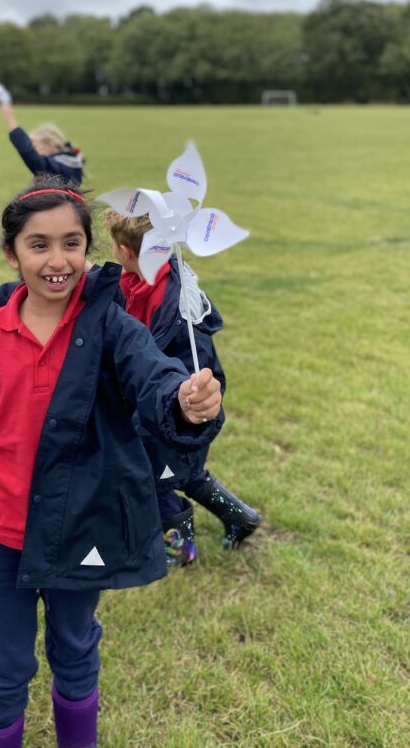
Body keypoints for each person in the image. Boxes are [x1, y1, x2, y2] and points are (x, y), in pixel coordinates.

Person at [0, 177, 224, 748]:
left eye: (72, 243)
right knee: (3, 667)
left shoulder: (111, 326)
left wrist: (186, 401)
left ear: (88, 249)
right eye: (39, 244)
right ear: (12, 253)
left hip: (80, 525)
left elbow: (154, 377)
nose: (57, 260)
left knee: (75, 650)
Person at [104, 209, 261, 564]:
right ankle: (240, 516)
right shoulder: (134, 280)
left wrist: (187, 401)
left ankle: (181, 548)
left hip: (178, 409)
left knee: (151, 479)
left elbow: (196, 363)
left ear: (125, 251)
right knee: (185, 473)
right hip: (151, 404)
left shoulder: (178, 303)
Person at [0, 74, 84, 184]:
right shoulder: (70, 162)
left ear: (50, 144)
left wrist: (9, 115)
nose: (34, 150)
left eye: (35, 146)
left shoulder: (56, 168)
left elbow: (28, 152)